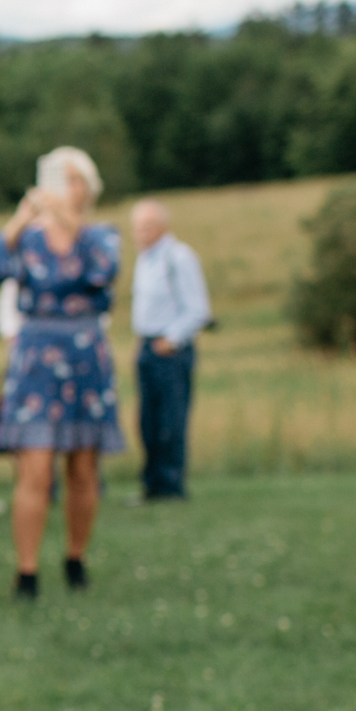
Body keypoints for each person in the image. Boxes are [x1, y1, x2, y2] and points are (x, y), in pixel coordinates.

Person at [0, 146, 123, 598]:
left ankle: (76, 559)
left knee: (83, 469)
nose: (67, 188)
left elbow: (106, 270)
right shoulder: (29, 240)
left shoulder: (100, 236)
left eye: (76, 179)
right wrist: (22, 219)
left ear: (90, 189)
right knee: (35, 470)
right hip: (37, 359)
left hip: (85, 358)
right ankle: (27, 572)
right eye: (61, 179)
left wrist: (69, 221)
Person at [130, 198, 211, 502]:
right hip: (146, 345)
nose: (141, 233)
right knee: (148, 420)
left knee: (171, 419)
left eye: (147, 226)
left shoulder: (179, 258)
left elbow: (198, 309)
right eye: (137, 227)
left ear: (163, 226)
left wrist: (171, 339)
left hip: (170, 348)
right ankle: (152, 483)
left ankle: (171, 484)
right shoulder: (144, 260)